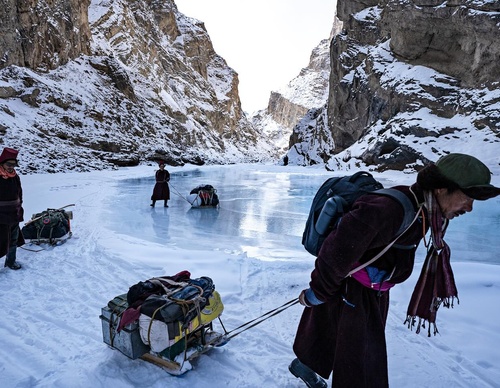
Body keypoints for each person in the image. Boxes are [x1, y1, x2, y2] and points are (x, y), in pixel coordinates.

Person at [289, 153, 500, 388]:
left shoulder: (424, 210)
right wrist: (317, 291)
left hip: (372, 288)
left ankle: (306, 368)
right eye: (468, 198)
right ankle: (310, 368)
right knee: (362, 363)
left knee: (333, 335)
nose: (470, 208)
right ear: (441, 188)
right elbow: (336, 251)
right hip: (355, 291)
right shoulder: (391, 208)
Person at [0, 147, 25, 270]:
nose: (11, 167)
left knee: (13, 240)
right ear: (2, 163)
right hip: (1, 216)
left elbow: (19, 193)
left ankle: (10, 262)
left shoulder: (15, 177)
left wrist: (19, 207)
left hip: (14, 214)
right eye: (9, 164)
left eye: (14, 164)